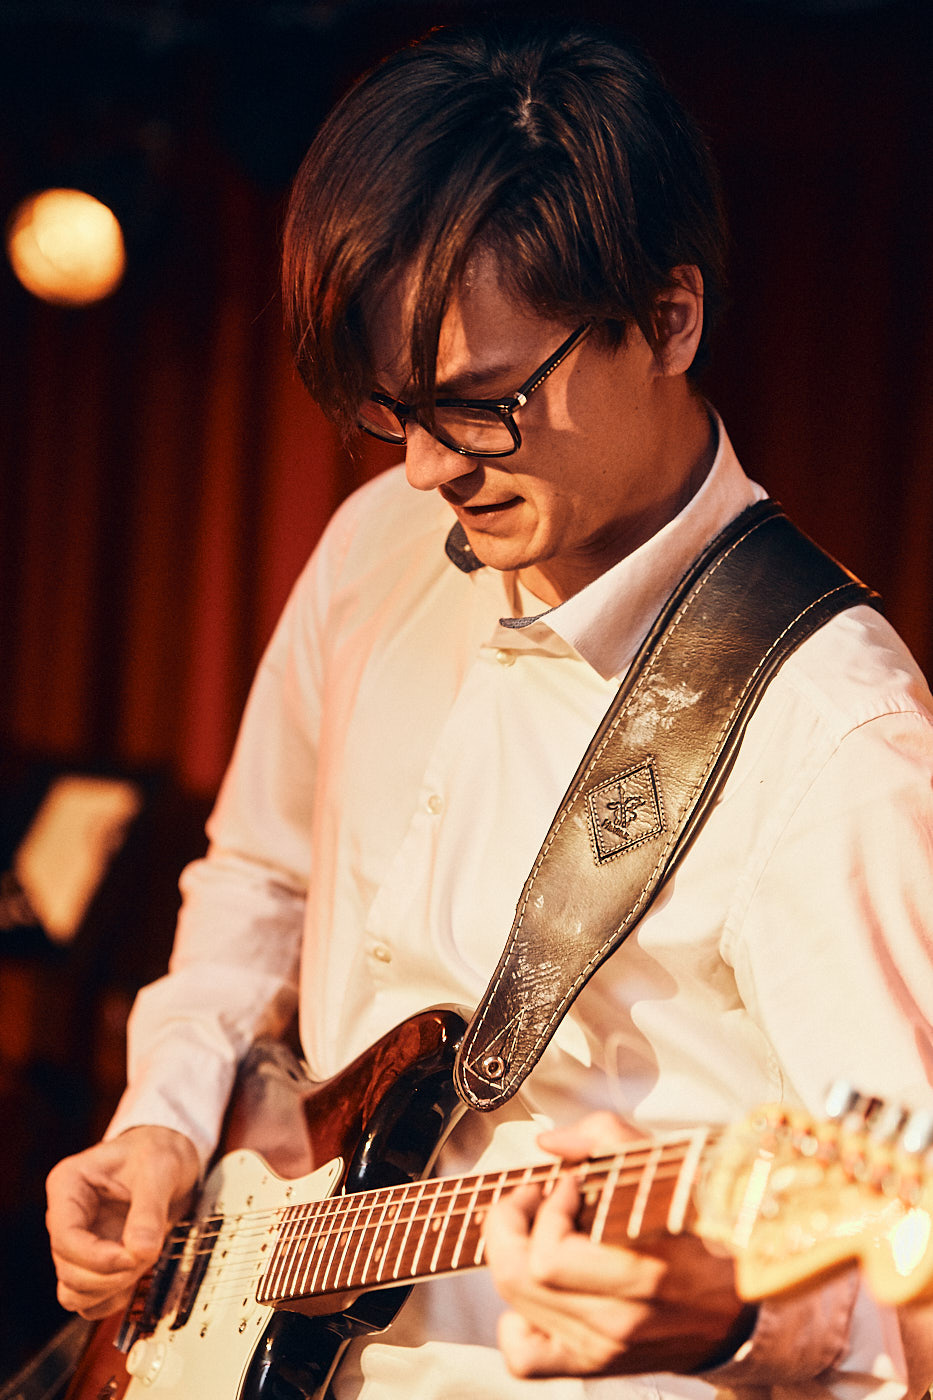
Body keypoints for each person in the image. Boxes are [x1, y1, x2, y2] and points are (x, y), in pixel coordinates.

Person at [45, 17, 933, 1400]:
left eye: (479, 402)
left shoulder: (837, 736)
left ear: (670, 318)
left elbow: (911, 1248)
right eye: (390, 410)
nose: (423, 471)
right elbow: (259, 878)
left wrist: (747, 1320)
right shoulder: (374, 552)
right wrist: (163, 1119)